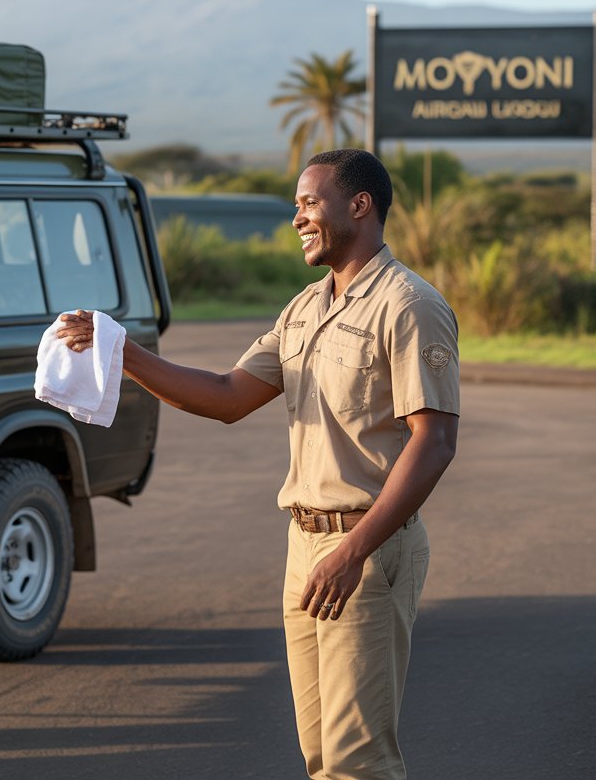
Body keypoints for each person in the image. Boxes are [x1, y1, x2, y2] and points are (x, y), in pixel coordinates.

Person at [56, 148, 459, 780]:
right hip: (306, 548)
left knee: (358, 760)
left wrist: (353, 553)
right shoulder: (303, 308)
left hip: (367, 549)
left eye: (309, 203)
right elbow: (227, 396)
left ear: (360, 206)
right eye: (296, 205)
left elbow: (434, 442)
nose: (296, 218)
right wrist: (122, 352)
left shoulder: (409, 305)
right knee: (320, 754)